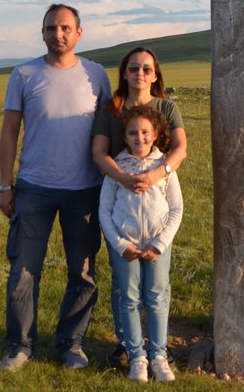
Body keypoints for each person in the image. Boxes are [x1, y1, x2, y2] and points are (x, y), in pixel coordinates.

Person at [0, 3, 111, 372]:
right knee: (24, 271)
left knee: (82, 271)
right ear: (42, 33)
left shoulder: (96, 75)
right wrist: (5, 184)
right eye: (50, 28)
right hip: (33, 188)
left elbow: (109, 130)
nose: (57, 35)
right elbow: (10, 131)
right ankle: (20, 346)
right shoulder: (24, 74)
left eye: (65, 28)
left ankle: (72, 344)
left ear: (79, 33)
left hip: (85, 190)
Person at [91, 46, 188, 367]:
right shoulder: (111, 109)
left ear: (156, 74)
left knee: (157, 285)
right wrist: (123, 178)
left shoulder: (167, 106)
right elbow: (99, 152)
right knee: (124, 283)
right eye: (134, 68)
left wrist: (157, 173)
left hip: (157, 195)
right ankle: (128, 345)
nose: (140, 73)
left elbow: (180, 147)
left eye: (147, 68)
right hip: (119, 199)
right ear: (124, 73)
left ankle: (158, 349)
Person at [99, 105, 183, 383]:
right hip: (126, 247)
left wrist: (160, 243)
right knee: (130, 299)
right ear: (124, 136)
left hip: (158, 244)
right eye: (133, 133)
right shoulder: (117, 168)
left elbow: (176, 209)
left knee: (157, 297)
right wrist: (119, 243)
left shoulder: (164, 168)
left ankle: (158, 355)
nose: (140, 138)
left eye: (146, 132)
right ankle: (137, 357)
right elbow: (104, 211)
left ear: (156, 133)